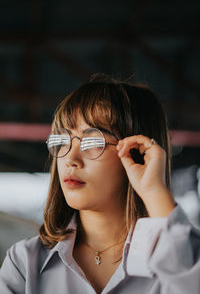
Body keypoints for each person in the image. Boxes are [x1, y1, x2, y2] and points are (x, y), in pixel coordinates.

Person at [0, 73, 200, 294]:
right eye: (62, 140)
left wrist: (154, 191)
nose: (71, 160)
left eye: (93, 141)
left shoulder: (180, 257)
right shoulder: (25, 264)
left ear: (137, 152)